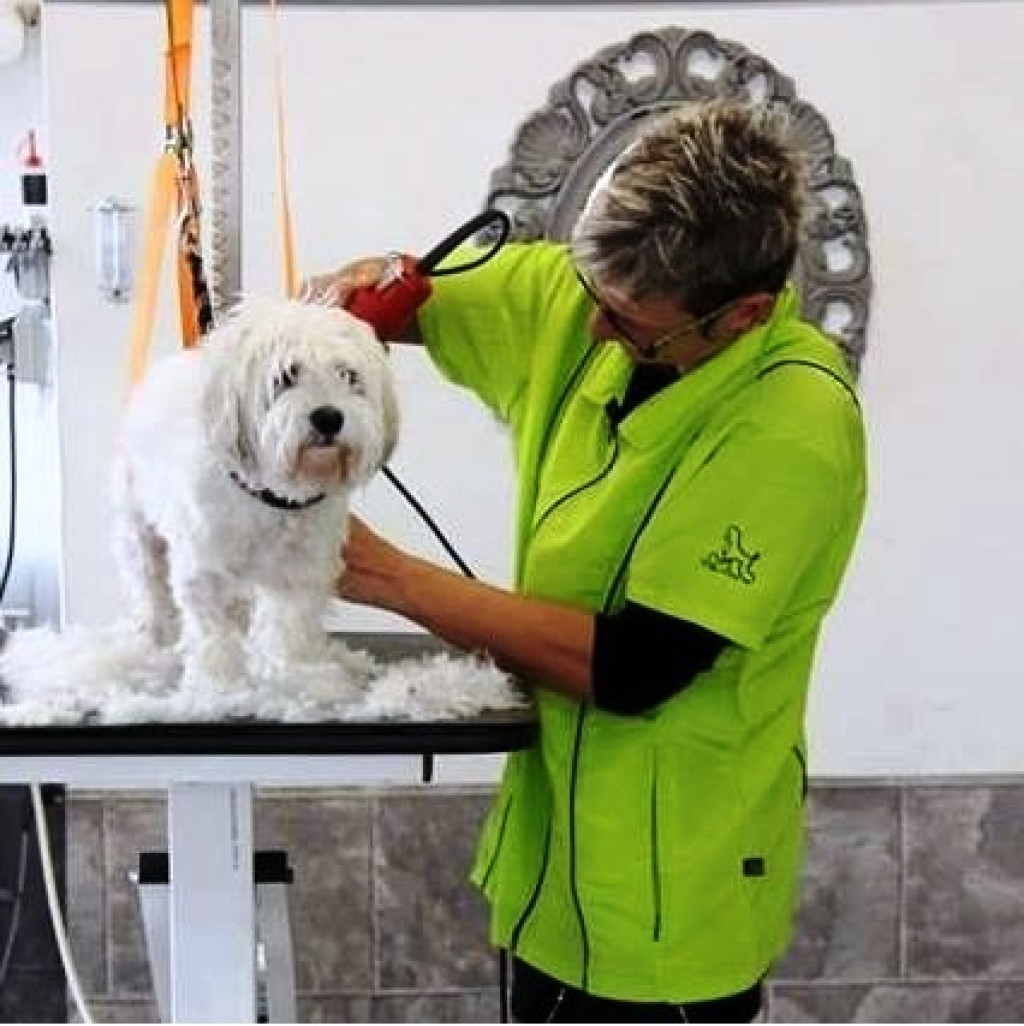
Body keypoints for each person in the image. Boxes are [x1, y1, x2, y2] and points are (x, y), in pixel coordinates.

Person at [308, 99, 867, 1023]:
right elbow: (409, 306)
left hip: (671, 904)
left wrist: (388, 578)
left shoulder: (793, 424)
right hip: (549, 877)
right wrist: (345, 306)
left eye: (632, 324)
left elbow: (636, 666)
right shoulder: (583, 299)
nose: (596, 333)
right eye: (592, 297)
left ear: (744, 315)